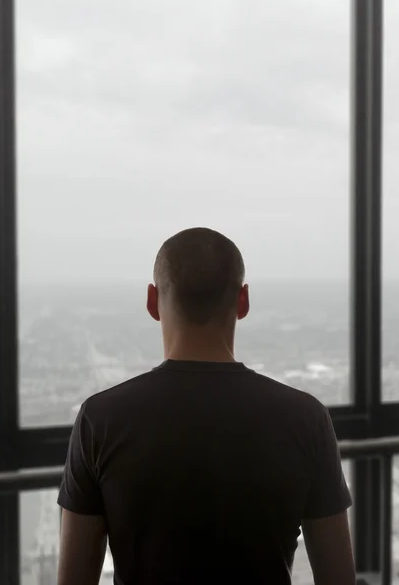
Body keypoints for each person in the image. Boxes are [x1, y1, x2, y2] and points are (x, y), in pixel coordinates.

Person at [57, 227, 355, 585]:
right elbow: (339, 579)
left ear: (152, 302)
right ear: (243, 302)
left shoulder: (99, 420)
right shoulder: (307, 419)